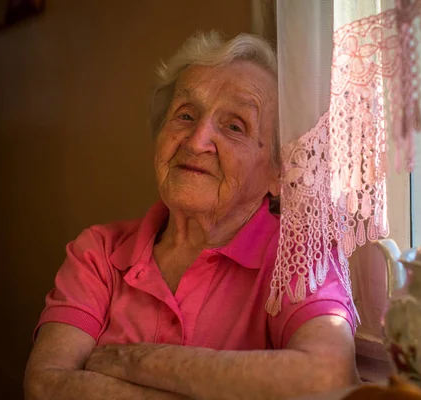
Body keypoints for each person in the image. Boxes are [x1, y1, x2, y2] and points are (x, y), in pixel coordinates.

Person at [24, 31, 358, 400]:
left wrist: (138, 362)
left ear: (279, 171)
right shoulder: (98, 254)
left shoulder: (298, 257)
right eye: (185, 115)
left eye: (235, 126)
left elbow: (328, 376)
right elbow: (46, 385)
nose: (197, 140)